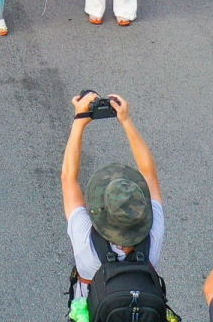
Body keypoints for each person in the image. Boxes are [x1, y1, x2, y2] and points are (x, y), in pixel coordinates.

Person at [61, 93, 165, 317]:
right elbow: (149, 174)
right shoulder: (152, 240)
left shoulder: (86, 245)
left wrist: (80, 120)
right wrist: (126, 121)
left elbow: (69, 178)